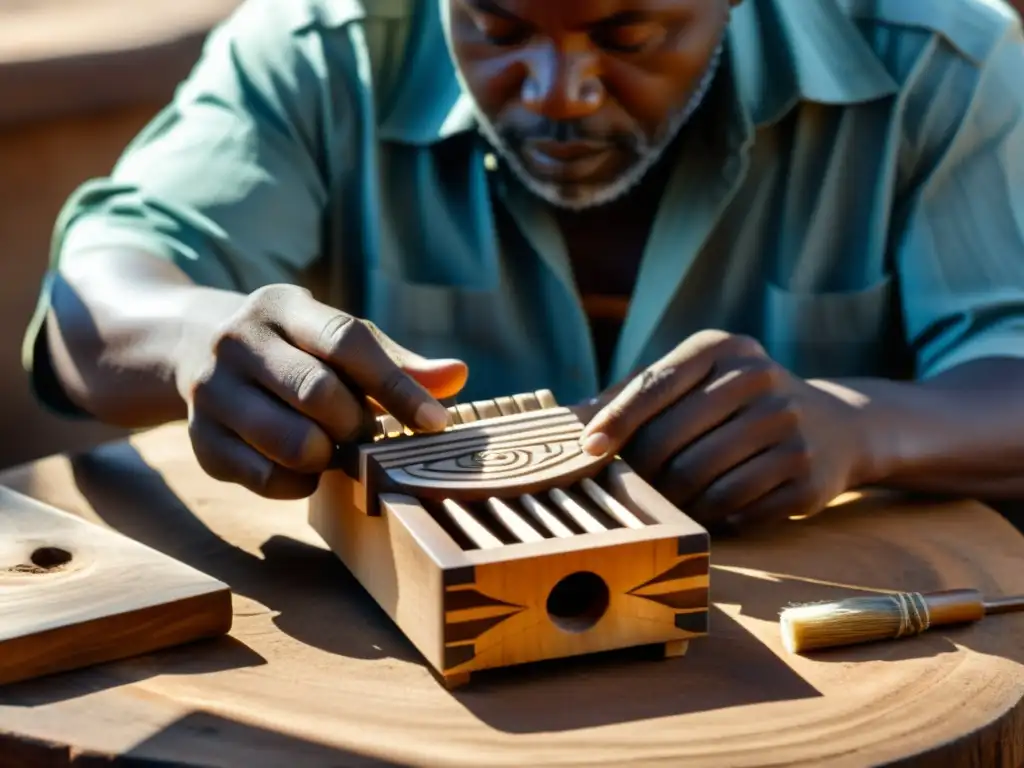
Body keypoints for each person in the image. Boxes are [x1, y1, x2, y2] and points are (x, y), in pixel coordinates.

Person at [23, 0, 1024, 534]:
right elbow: (94, 297)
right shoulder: (322, 43)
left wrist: (861, 425)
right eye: (495, 28)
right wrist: (196, 338)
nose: (559, 94)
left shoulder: (944, 61)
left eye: (628, 32)